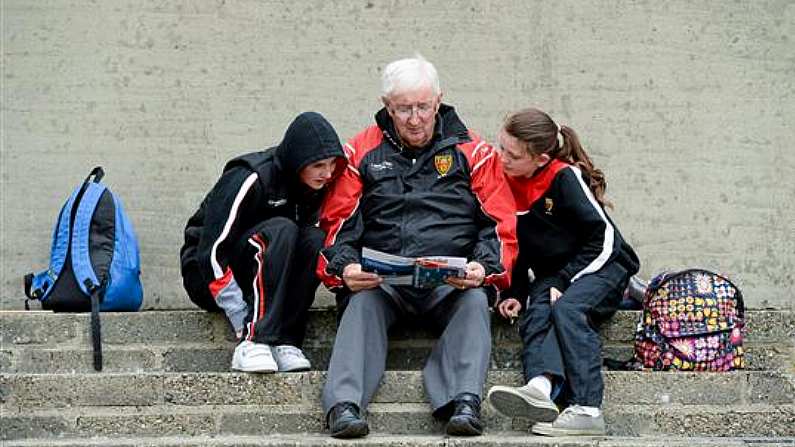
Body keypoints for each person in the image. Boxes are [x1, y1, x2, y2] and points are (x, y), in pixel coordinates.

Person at [316, 55, 518, 438]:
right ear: (387, 106)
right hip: (384, 281)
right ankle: (343, 405)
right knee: (360, 304)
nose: (414, 118)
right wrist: (344, 269)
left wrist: (483, 268)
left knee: (475, 302)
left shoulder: (475, 152)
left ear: (438, 101)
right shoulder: (359, 152)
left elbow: (499, 225)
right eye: (404, 108)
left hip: (451, 281)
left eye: (423, 107)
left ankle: (463, 402)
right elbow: (337, 226)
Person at [487, 107, 640, 436]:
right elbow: (519, 245)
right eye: (501, 147)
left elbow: (606, 239)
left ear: (540, 159)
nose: (502, 158)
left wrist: (568, 281)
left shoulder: (564, 177)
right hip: (555, 275)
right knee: (538, 309)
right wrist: (514, 293)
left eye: (512, 154)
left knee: (567, 308)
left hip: (603, 267)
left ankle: (587, 409)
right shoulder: (507, 182)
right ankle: (541, 391)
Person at [180, 112, 346, 373]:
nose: (327, 174)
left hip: (267, 273)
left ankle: (286, 341)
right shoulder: (250, 176)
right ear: (298, 159)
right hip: (209, 275)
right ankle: (255, 340)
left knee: (314, 239)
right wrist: (238, 314)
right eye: (318, 165)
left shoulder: (314, 186)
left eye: (332, 165)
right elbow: (210, 250)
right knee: (281, 230)